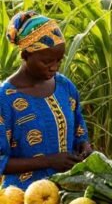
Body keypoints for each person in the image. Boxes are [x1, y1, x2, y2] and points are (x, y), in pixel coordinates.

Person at [0, 12, 91, 189]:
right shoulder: (5, 98)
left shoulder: (64, 86)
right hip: (23, 195)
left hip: (68, 192)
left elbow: (80, 132)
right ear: (25, 55)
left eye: (59, 60)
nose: (55, 67)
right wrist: (49, 161)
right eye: (47, 61)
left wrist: (84, 146)